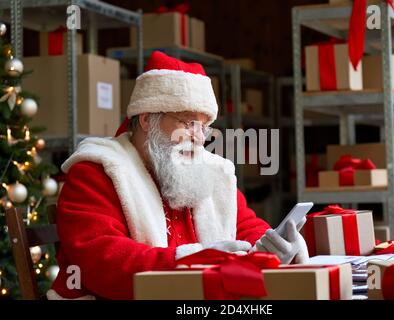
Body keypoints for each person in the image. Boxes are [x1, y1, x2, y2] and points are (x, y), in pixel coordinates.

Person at [47, 51, 309, 300]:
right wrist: (191, 261)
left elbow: (245, 226)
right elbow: (102, 262)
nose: (198, 137)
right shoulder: (97, 171)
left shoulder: (212, 171)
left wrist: (269, 246)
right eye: (186, 122)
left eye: (204, 127)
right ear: (148, 119)